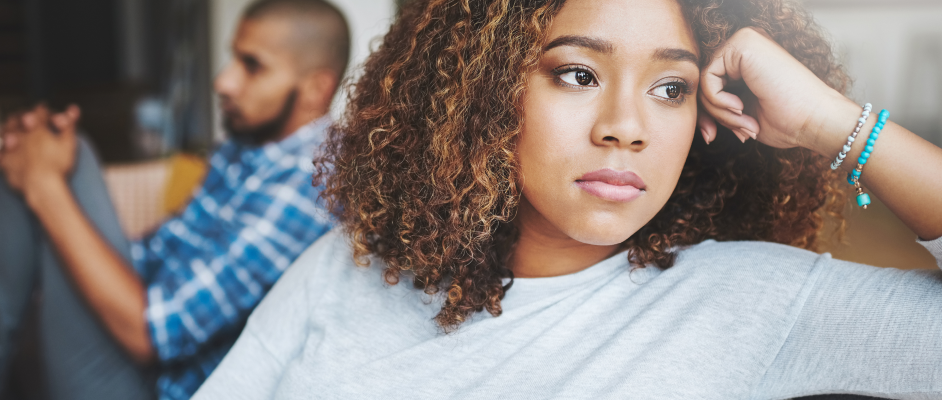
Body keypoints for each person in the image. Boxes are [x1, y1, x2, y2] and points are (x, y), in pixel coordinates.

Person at [192, 0, 942, 398]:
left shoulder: (753, 303)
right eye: (577, 74)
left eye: (671, 88)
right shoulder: (346, 264)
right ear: (483, 95)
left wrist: (835, 126)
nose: (625, 128)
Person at [0, 1, 349, 399]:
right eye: (234, 59)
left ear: (315, 88)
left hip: (154, 387)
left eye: (252, 66)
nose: (223, 81)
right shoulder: (252, 149)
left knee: (60, 161)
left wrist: (45, 187)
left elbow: (153, 335)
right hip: (142, 350)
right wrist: (52, 228)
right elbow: (152, 256)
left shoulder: (308, 185)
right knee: (50, 152)